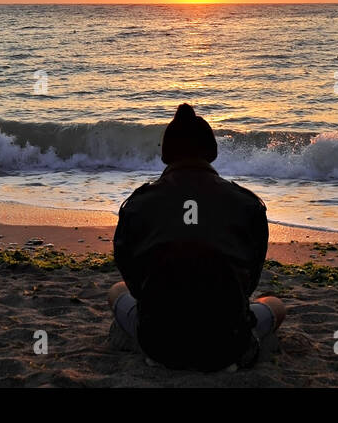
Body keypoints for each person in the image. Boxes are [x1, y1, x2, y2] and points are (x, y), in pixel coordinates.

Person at [109, 103, 285, 371]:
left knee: (116, 291)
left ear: (166, 154)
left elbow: (132, 279)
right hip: (227, 343)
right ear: (212, 153)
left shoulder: (137, 205)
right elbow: (249, 282)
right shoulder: (247, 204)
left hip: (159, 341)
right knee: (274, 304)